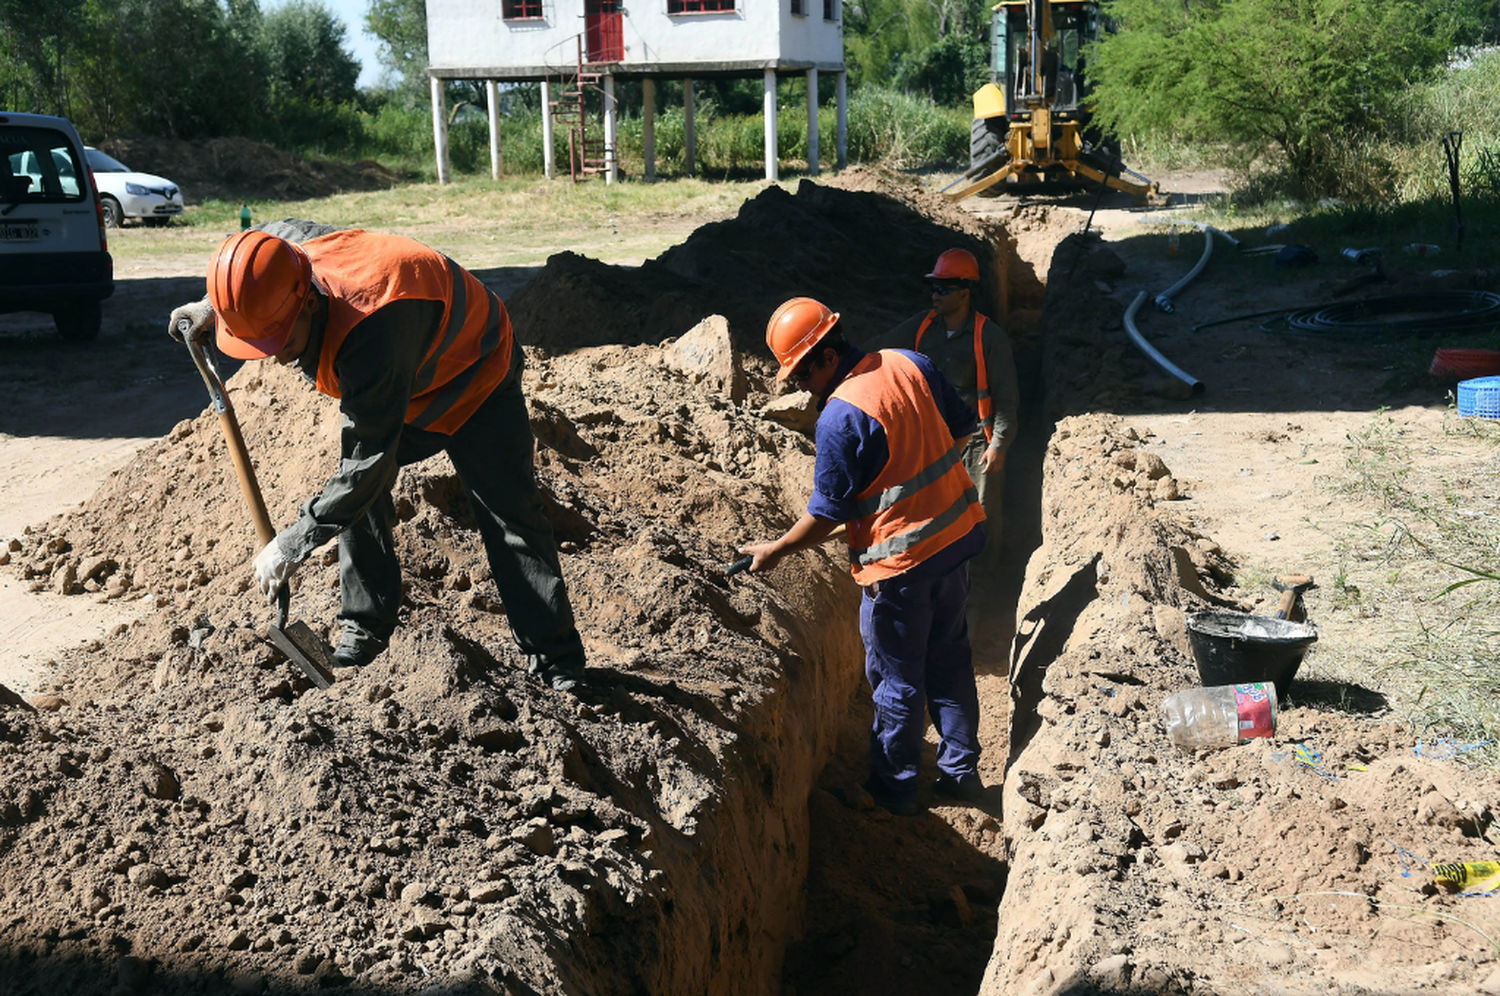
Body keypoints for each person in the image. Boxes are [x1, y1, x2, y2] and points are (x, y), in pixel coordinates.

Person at [168, 221, 588, 692]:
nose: (279, 359)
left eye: (281, 343)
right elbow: (256, 255)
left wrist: (292, 543)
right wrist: (217, 307)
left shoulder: (371, 335)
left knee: (508, 512)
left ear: (308, 301)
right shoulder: (287, 258)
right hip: (410, 368)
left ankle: (558, 664)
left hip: (476, 367)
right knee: (357, 499)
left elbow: (366, 466)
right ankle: (366, 633)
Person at [740, 297, 987, 814]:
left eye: (803, 376)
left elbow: (827, 514)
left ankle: (894, 791)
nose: (803, 388)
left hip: (900, 569)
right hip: (956, 540)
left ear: (827, 356)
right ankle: (961, 775)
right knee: (950, 657)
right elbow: (963, 430)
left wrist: (778, 549)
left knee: (897, 681)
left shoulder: (839, 418)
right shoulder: (908, 362)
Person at [876, 248, 1019, 549]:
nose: (935, 295)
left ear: (965, 293)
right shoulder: (923, 326)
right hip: (931, 437)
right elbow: (877, 349)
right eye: (933, 287)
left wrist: (999, 446)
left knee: (980, 511)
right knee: (933, 510)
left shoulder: (989, 337)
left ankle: (985, 579)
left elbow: (1007, 398)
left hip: (978, 440)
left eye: (942, 289)